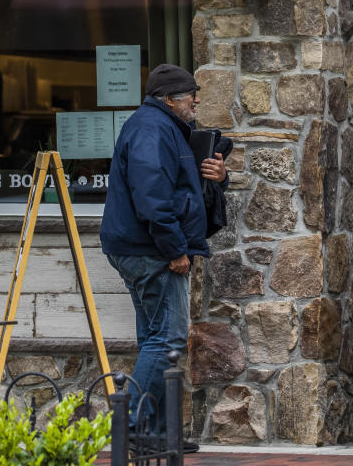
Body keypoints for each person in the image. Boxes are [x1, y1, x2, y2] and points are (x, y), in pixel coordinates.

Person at [100, 64, 228, 452]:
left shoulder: (162, 127)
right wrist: (174, 250)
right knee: (166, 339)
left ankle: (153, 432)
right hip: (151, 251)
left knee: (154, 339)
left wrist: (217, 176)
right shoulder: (152, 129)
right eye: (191, 94)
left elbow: (177, 187)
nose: (197, 100)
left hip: (143, 248)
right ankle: (135, 431)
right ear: (169, 98)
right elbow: (152, 200)